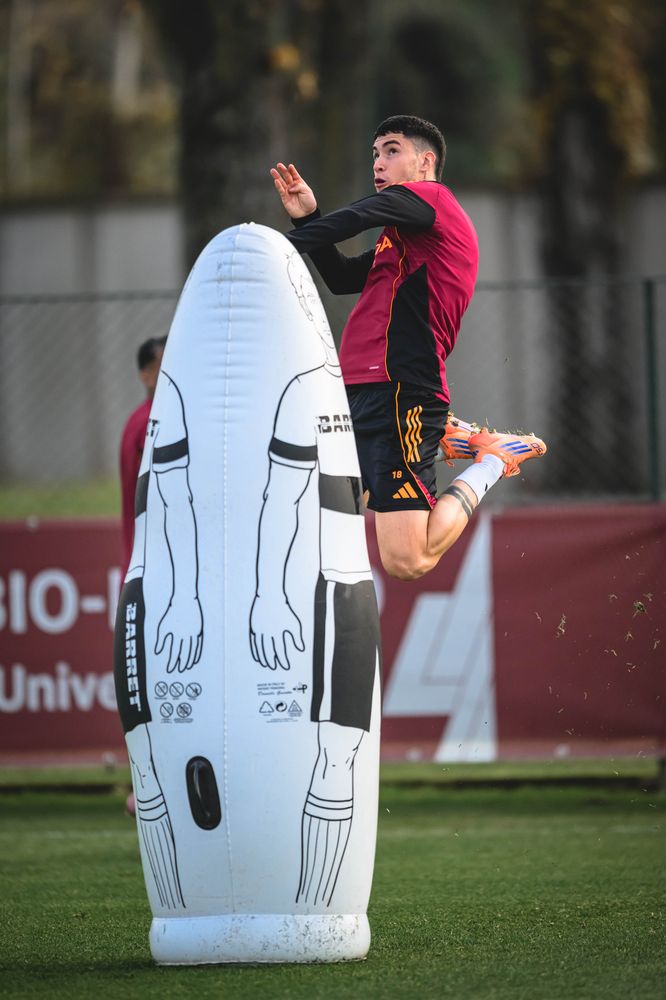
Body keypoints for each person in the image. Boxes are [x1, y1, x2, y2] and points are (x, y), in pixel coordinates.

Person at [270, 115, 546, 581]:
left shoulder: (431, 199)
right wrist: (307, 219)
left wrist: (270, 246)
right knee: (310, 524)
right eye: (375, 154)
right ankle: (445, 438)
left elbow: (356, 216)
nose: (378, 163)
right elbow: (339, 279)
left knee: (408, 560)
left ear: (426, 161)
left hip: (401, 391)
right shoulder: (403, 235)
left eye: (391, 151)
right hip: (354, 391)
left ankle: (493, 459)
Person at [119, 336, 167, 577]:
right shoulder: (151, 422)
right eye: (163, 365)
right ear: (145, 376)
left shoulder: (143, 418)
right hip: (150, 565)